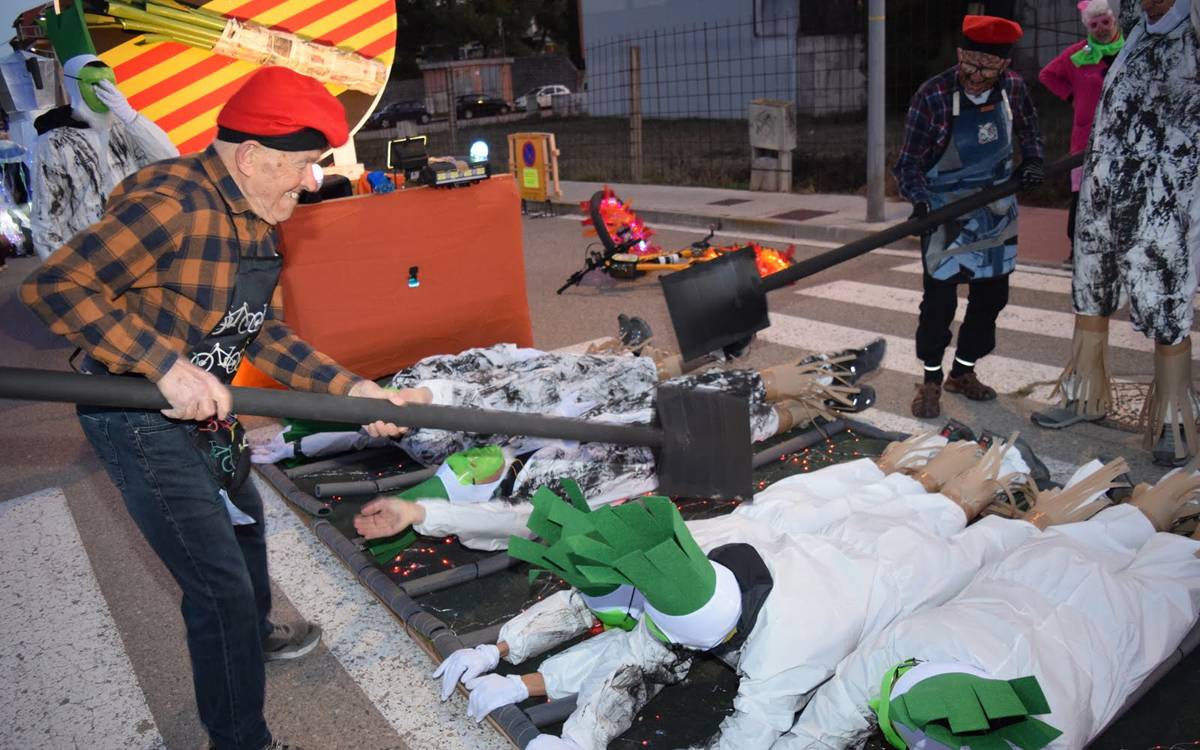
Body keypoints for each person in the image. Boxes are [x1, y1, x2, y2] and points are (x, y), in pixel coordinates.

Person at [20, 66, 422, 750]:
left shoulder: (257, 213)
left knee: (247, 526)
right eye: (302, 165)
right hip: (138, 416)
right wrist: (163, 363)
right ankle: (241, 740)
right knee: (218, 590)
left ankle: (256, 635)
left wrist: (352, 390)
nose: (313, 180)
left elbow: (255, 328)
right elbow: (56, 287)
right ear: (250, 156)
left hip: (208, 406)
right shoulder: (171, 202)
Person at [459, 436, 1112, 750]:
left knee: (995, 536)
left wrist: (537, 697)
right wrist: (507, 655)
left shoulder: (786, 647)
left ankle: (1038, 482)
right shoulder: (693, 570)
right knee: (932, 504)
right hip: (847, 541)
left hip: (904, 580)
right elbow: (632, 648)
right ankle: (988, 464)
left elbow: (753, 728)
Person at [778, 466, 1200, 749]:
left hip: (1112, 630)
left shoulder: (1059, 735)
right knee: (1118, 538)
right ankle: (1162, 497)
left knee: (1175, 572)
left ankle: (1166, 516)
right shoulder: (912, 642)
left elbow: (824, 726)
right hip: (1045, 575)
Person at [347, 338, 884, 551]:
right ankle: (820, 401)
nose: (478, 459)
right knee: (740, 432)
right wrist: (419, 510)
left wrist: (419, 395)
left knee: (677, 396)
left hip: (628, 420)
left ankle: (816, 372)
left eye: (468, 460)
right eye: (473, 471)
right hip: (649, 465)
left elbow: (499, 392)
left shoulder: (506, 440)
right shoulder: (521, 507)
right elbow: (506, 522)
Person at [1031, 0, 1200, 467]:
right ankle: (1085, 396)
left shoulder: (1191, 32)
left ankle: (1172, 419)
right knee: (1091, 288)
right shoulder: (1135, 33)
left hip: (1166, 194)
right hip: (1104, 187)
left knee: (1165, 299)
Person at [895, 14, 1045, 420]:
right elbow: (908, 164)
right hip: (945, 210)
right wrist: (921, 201)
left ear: (1005, 66)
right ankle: (930, 380)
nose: (977, 76)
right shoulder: (934, 95)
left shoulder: (1012, 88)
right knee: (939, 304)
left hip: (996, 207)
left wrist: (1032, 162)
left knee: (992, 296)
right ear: (961, 54)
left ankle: (962, 372)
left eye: (988, 68)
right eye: (970, 64)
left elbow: (1030, 129)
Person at [30, 0, 177, 260]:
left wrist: (132, 118)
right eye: (93, 83)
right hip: (93, 257)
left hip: (143, 248)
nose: (102, 90)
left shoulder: (126, 128)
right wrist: (61, 275)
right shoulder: (56, 142)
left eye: (109, 82)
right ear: (75, 86)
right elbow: (48, 217)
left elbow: (170, 160)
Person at [1038, 0, 1124, 269]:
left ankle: (1119, 250)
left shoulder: (1131, 50)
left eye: (1105, 22)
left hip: (1125, 139)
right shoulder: (1079, 54)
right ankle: (1076, 249)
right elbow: (1047, 75)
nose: (1100, 29)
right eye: (1094, 24)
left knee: (1120, 197)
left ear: (1114, 21)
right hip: (1086, 139)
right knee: (1082, 197)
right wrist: (1071, 95)